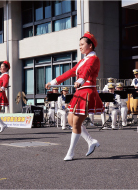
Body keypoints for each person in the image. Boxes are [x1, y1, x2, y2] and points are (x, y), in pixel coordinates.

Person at [45, 31, 103, 161]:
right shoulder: (83, 60)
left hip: (87, 91)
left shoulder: (94, 59)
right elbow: (71, 72)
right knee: (71, 121)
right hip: (79, 92)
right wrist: (53, 82)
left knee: (76, 122)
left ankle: (70, 153)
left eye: (82, 44)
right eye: (79, 44)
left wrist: (80, 81)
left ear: (90, 45)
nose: (80, 46)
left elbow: (87, 72)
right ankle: (91, 141)